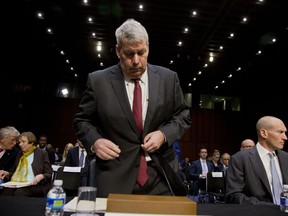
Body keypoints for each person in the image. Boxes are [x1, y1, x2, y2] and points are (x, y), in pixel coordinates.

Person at [73, 18, 191, 197]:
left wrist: (164, 134)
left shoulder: (169, 78)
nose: (136, 61)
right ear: (118, 51)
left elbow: (183, 115)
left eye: (141, 52)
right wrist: (95, 142)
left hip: (162, 175)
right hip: (115, 175)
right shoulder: (98, 81)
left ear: (148, 48)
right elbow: (82, 120)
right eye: (129, 54)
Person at [226, 116, 288, 205]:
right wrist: (272, 208)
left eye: (285, 132)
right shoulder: (240, 159)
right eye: (280, 132)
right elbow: (233, 196)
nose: (285, 137)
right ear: (263, 133)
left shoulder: (286, 157)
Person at [0, 131, 52, 196]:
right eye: (19, 142)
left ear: (32, 142)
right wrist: (6, 173)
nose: (20, 144)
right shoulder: (20, 154)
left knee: (19, 192)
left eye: (23, 142)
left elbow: (49, 173)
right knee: (7, 191)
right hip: (19, 183)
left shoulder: (42, 153)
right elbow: (14, 172)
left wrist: (41, 176)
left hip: (36, 185)